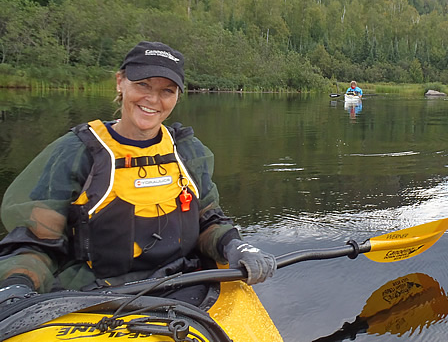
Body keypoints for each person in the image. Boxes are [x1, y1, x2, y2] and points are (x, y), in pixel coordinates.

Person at [0, 41, 276, 304]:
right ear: (120, 82)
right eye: (143, 84)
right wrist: (17, 282)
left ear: (177, 97)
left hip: (185, 287)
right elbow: (35, 243)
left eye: (167, 91)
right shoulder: (76, 153)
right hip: (94, 295)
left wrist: (234, 245)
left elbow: (208, 219)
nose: (153, 99)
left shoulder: (187, 151)